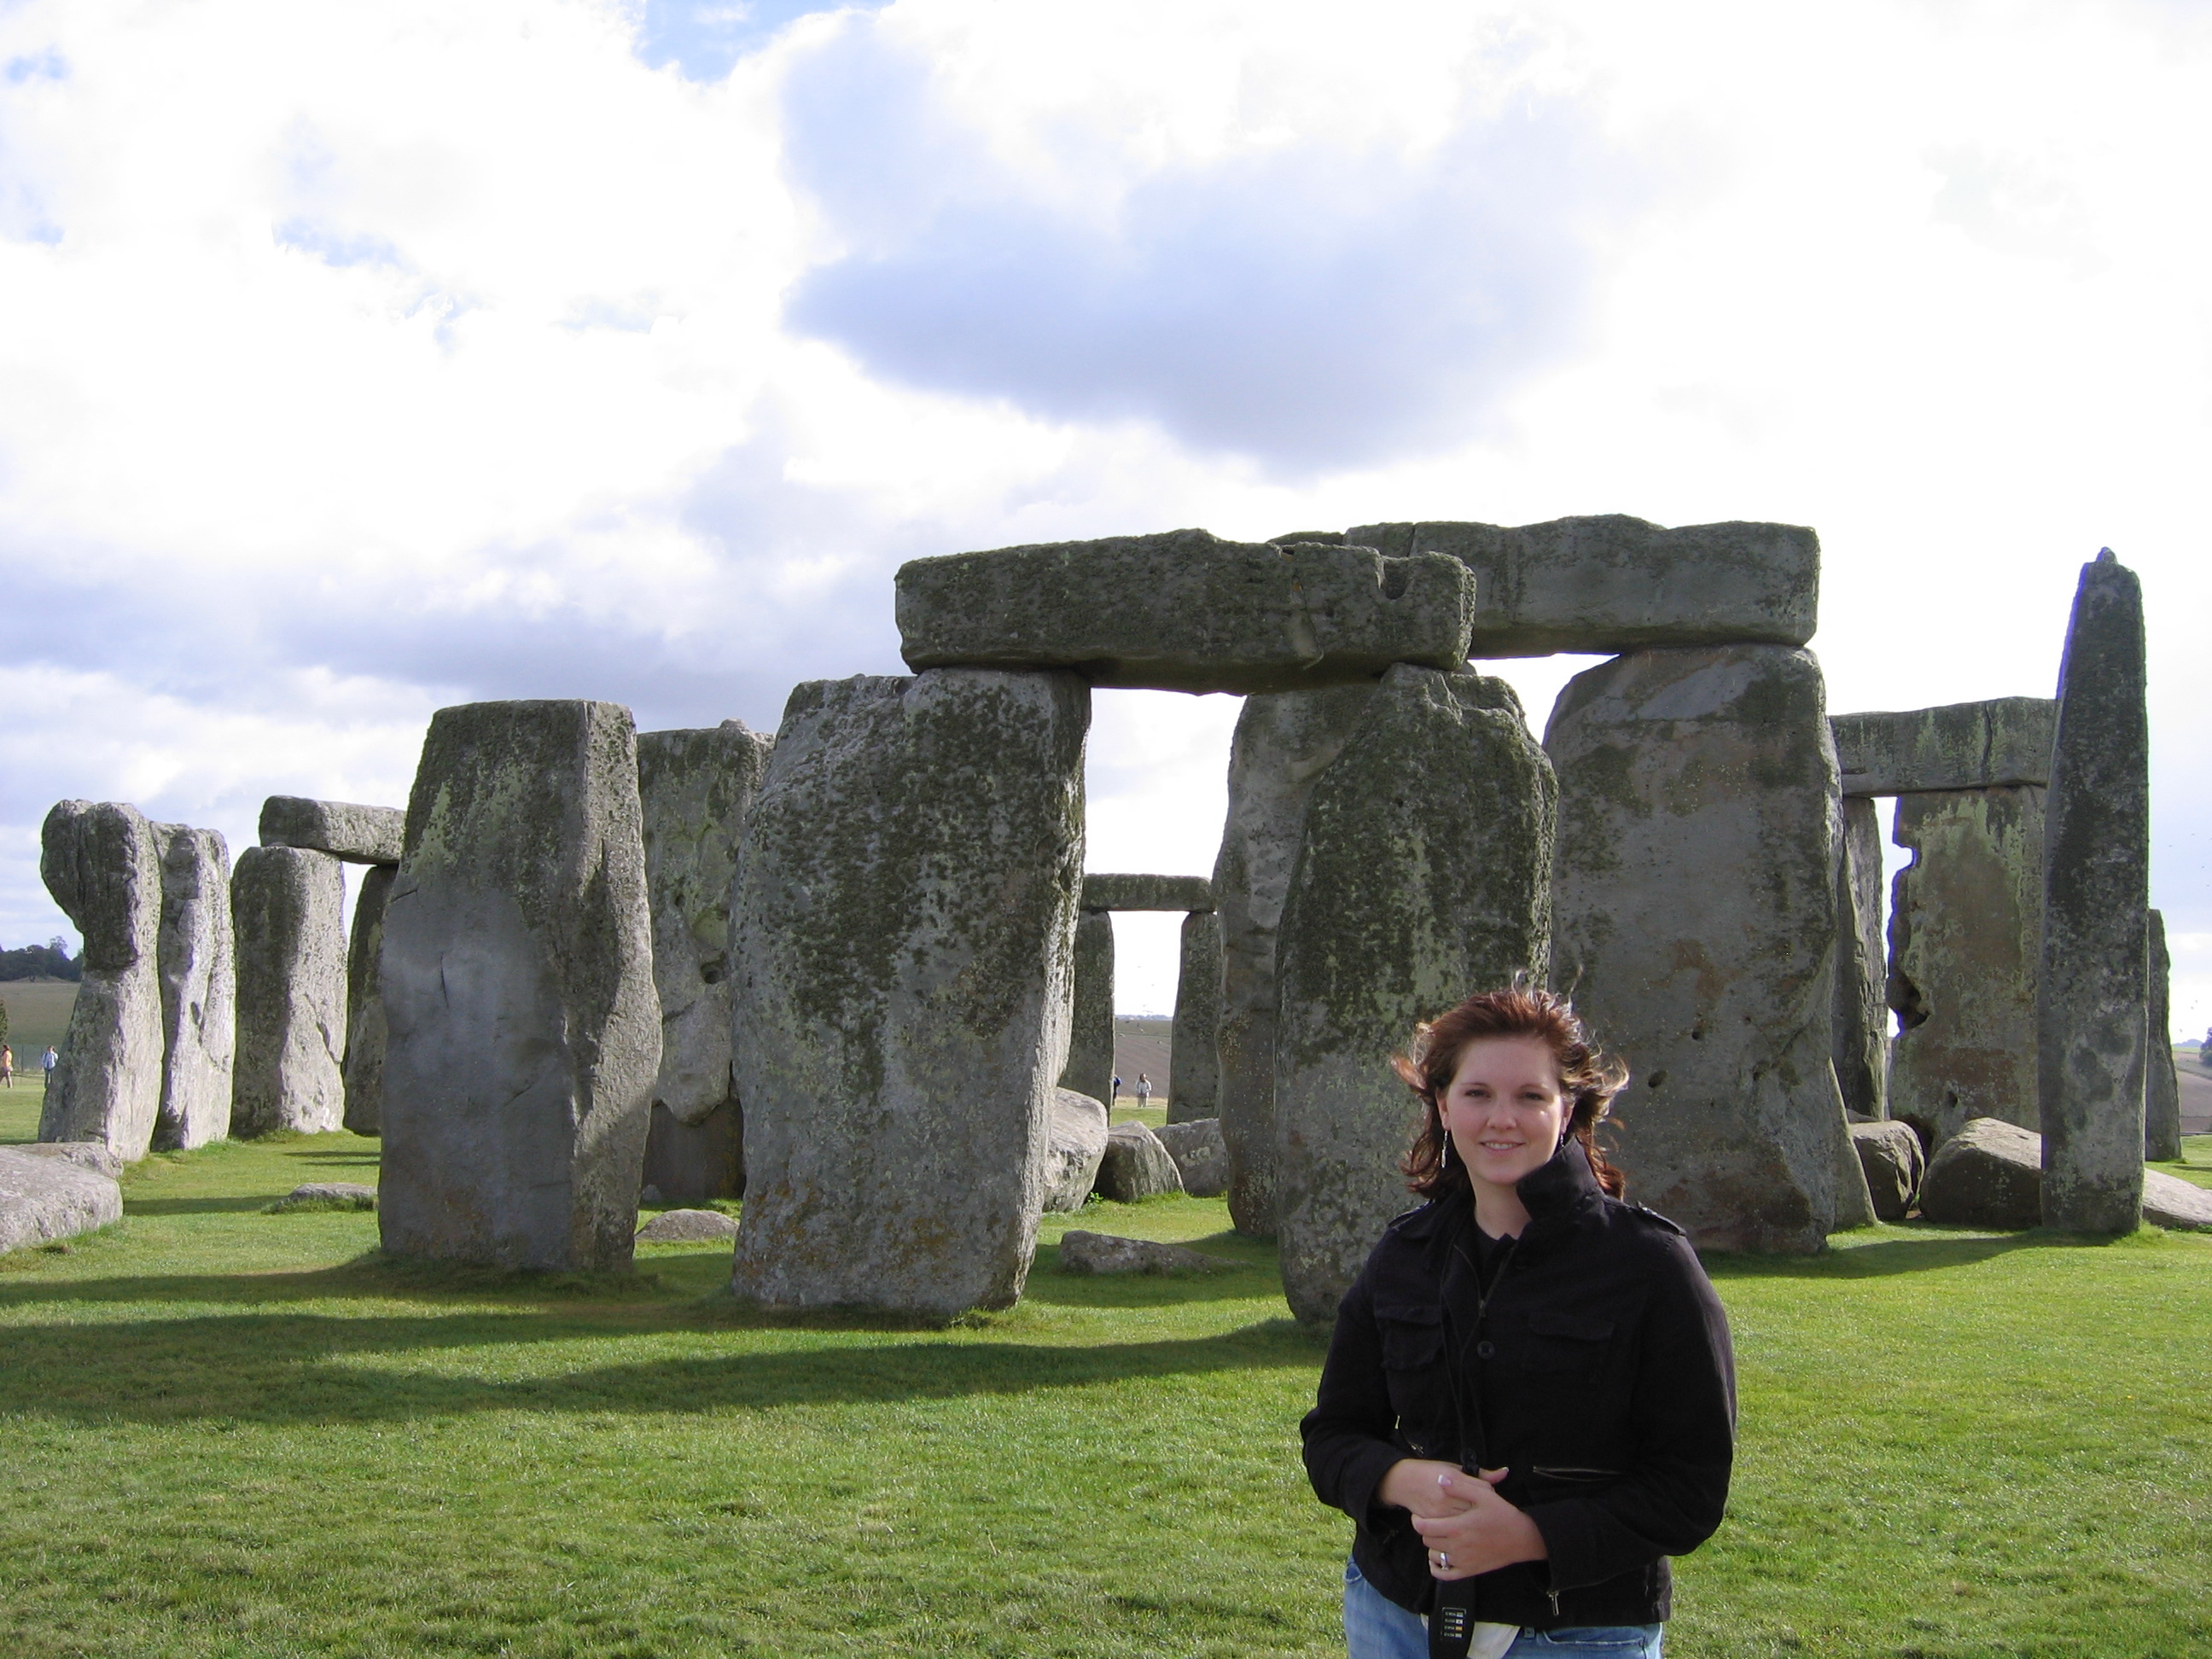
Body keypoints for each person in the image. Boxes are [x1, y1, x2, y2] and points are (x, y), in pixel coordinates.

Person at [1301, 987, 1735, 1659]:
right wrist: (1400, 1479)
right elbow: (1333, 1434)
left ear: (1567, 1111)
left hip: (1575, 1632)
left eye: (1530, 1096)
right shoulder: (1403, 1257)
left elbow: (1691, 1487)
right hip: (1393, 1614)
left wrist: (1531, 1535)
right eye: (1477, 1094)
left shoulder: (1650, 1267)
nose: (1502, 1118)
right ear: (1443, 1106)